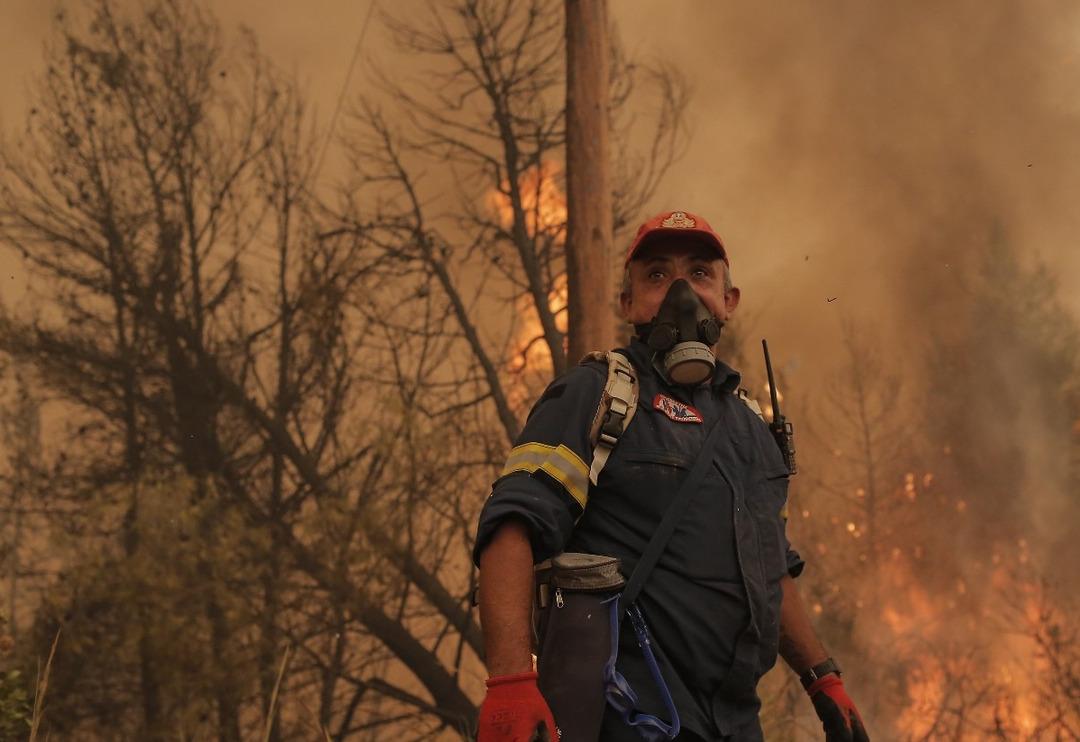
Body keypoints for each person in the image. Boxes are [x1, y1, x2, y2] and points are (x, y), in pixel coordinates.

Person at [473, 210, 869, 741]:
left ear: (729, 301)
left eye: (700, 274)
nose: (681, 292)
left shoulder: (751, 430)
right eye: (657, 276)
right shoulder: (597, 396)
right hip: (630, 714)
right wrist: (510, 682)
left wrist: (822, 678)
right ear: (629, 304)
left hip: (734, 724)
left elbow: (773, 569)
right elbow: (511, 527)